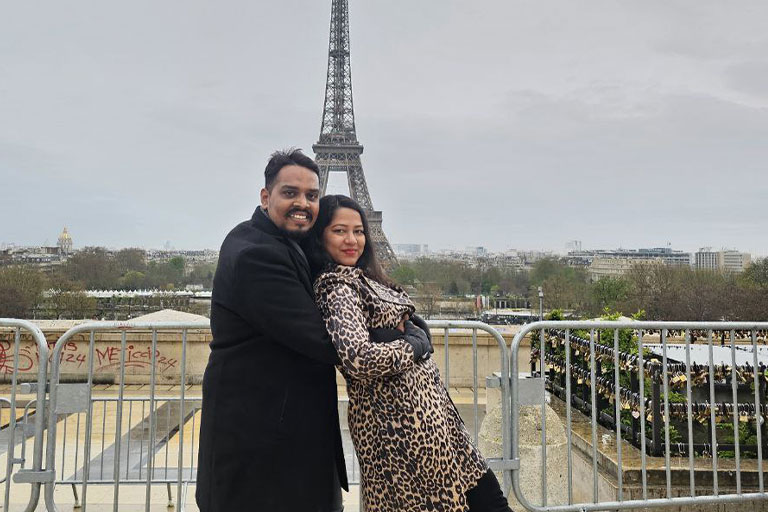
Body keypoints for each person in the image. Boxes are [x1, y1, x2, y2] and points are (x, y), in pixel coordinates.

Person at [306, 194, 513, 512]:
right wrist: (413, 346)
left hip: (435, 423)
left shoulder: (364, 279)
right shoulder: (338, 288)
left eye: (359, 231)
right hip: (400, 433)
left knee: (491, 501)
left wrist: (410, 334)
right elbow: (359, 359)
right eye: (339, 231)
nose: (352, 240)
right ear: (321, 236)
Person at [196, 149, 348, 512]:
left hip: (279, 442)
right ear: (266, 197)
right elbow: (328, 341)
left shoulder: (272, 240)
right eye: (290, 193)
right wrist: (412, 340)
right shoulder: (257, 255)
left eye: (312, 196)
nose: (303, 203)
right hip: (262, 450)